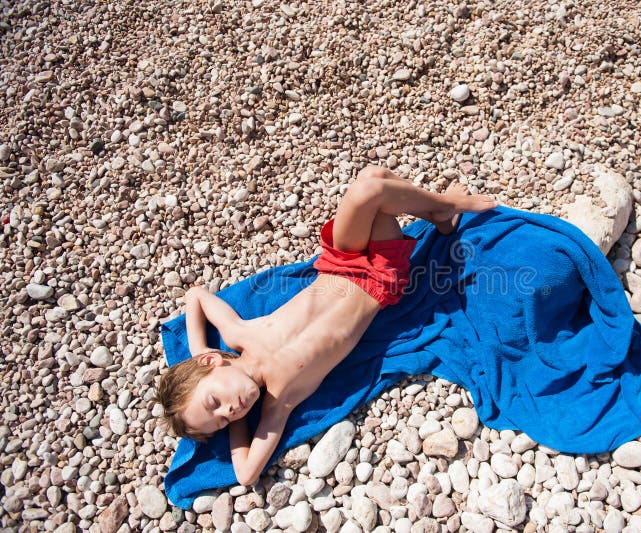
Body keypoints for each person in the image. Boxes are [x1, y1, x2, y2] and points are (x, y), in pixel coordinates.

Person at [156, 165, 498, 486]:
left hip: (340, 262)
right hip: (380, 277)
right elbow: (246, 473)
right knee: (375, 192)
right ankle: (442, 210)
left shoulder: (238, 334)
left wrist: (199, 348)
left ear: (211, 363)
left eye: (215, 402)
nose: (229, 411)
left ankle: (441, 209)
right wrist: (239, 420)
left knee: (370, 179)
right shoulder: (280, 399)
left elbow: (196, 296)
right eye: (222, 421)